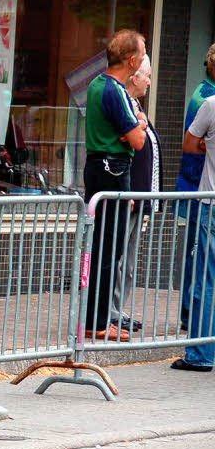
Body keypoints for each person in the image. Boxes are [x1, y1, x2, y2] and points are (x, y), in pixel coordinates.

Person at [83, 29, 147, 342]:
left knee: (102, 247)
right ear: (133, 60)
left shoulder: (96, 84)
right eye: (144, 53)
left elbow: (129, 133)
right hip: (113, 167)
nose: (145, 58)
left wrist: (132, 129)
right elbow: (137, 139)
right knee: (110, 249)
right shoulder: (115, 90)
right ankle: (97, 320)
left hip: (99, 167)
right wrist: (138, 127)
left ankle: (94, 316)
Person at [111, 55, 160, 333]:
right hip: (129, 196)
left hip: (139, 198)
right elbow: (127, 146)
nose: (150, 81)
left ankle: (118, 310)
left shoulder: (136, 106)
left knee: (128, 262)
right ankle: (111, 312)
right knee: (118, 258)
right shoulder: (125, 105)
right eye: (147, 75)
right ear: (135, 76)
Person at [172, 94, 215, 372]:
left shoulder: (210, 104)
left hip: (212, 203)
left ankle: (201, 354)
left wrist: (206, 143)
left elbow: (189, 144)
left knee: (206, 279)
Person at [175, 43, 215, 329]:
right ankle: (192, 315)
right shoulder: (205, 98)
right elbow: (192, 146)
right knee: (197, 257)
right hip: (197, 188)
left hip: (203, 188)